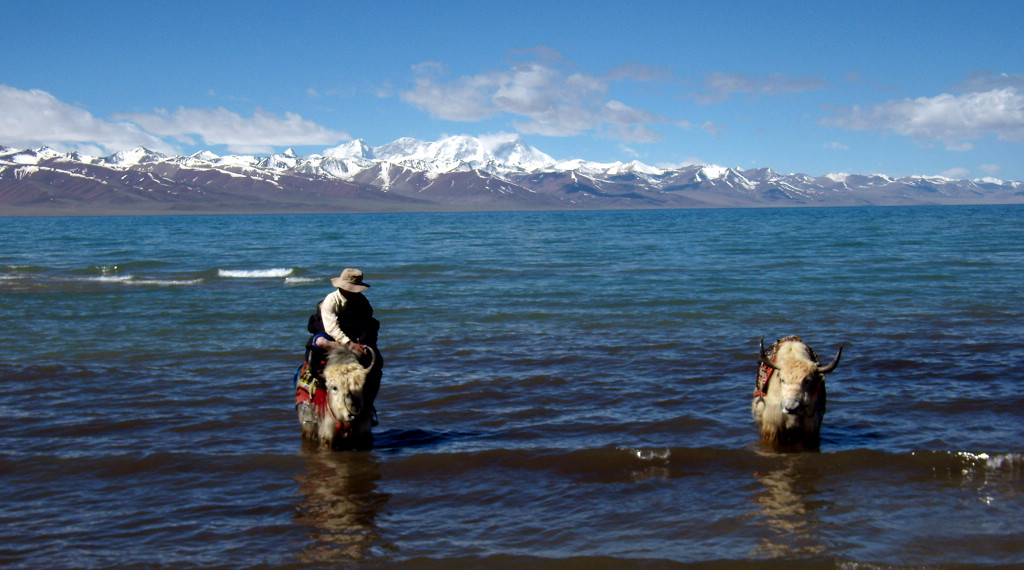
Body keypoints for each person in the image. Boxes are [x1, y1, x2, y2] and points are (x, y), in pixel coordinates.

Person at [302, 268, 383, 414]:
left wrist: (363, 344)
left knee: (376, 365)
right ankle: (313, 376)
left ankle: (369, 403)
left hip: (355, 336)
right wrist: (349, 344)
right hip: (330, 334)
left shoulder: (363, 303)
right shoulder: (330, 301)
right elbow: (331, 327)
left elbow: (367, 324)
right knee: (320, 343)